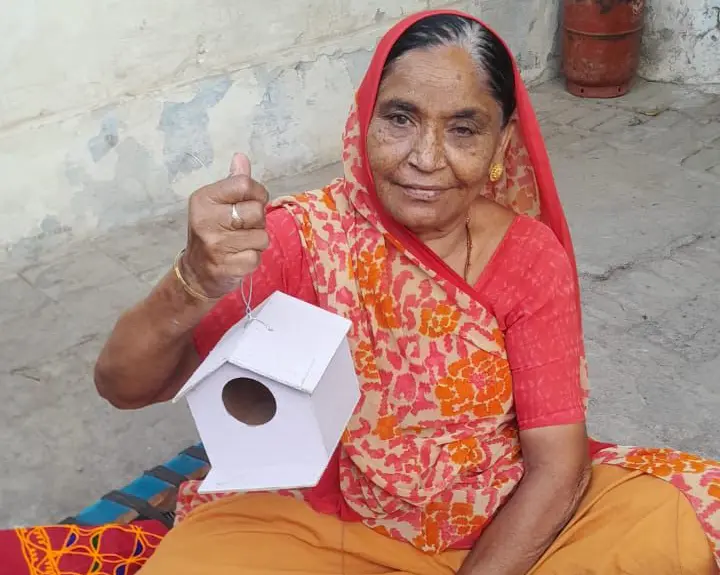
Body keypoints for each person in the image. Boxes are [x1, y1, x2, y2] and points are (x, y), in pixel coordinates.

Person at [94, 9, 720, 574]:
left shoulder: (528, 258)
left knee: (675, 521)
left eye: (464, 129)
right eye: (400, 118)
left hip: (493, 521)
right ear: (363, 119)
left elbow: (557, 464)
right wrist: (193, 281)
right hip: (319, 522)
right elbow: (125, 386)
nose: (426, 157)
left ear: (502, 143)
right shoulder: (300, 238)